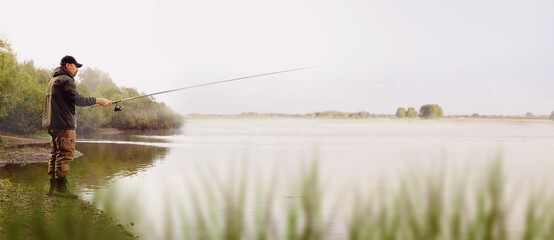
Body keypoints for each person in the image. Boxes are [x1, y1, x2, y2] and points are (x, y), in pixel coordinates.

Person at [42, 55, 112, 198]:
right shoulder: (66, 80)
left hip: (52, 124)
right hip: (63, 125)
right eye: (76, 66)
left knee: (55, 154)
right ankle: (60, 189)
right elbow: (77, 99)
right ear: (67, 65)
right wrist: (98, 100)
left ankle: (53, 187)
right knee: (65, 154)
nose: (77, 70)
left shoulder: (53, 80)